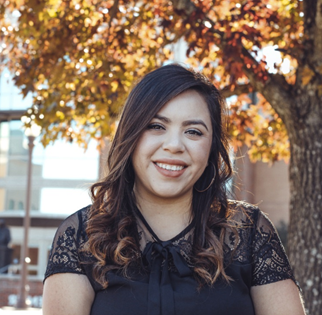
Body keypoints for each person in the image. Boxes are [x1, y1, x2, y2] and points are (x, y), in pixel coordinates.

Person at [42, 64, 305, 315]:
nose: (174, 145)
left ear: (212, 147)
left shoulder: (249, 233)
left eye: (193, 132)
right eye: (156, 126)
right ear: (130, 135)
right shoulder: (81, 236)